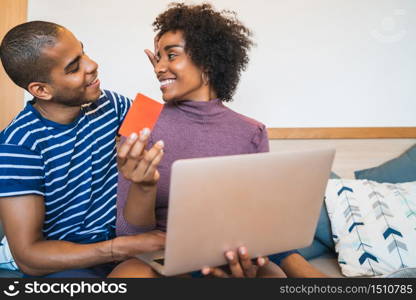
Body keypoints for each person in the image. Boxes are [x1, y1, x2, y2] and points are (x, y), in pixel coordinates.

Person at [113, 3, 327, 278]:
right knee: (130, 277)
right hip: (158, 257)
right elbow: (129, 234)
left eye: (171, 56)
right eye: (157, 57)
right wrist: (143, 187)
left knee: (272, 276)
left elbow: (258, 221)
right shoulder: (142, 118)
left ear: (208, 61)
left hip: (226, 255)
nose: (159, 68)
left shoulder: (252, 132)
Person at [0, 21, 165, 277]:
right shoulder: (19, 145)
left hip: (123, 249)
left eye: (83, 52)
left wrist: (170, 83)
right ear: (41, 90)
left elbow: (170, 130)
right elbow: (29, 256)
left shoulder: (111, 105)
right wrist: (118, 248)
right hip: (67, 263)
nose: (92, 65)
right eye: (74, 67)